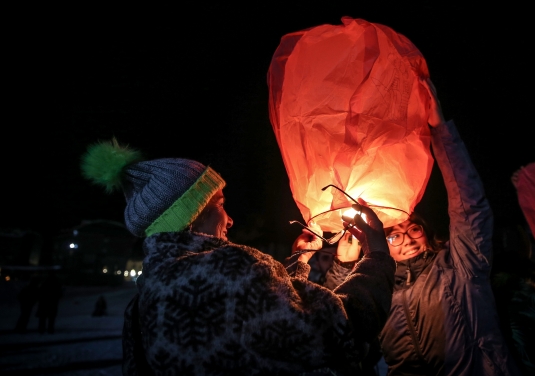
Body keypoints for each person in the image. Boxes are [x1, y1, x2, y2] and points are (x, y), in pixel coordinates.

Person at [81, 139, 395, 375]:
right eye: (220, 203)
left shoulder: (151, 290)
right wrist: (377, 254)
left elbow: (263, 317)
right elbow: (342, 326)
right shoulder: (231, 271)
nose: (229, 219)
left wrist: (300, 261)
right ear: (193, 214)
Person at [324, 79, 520, 375]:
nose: (407, 238)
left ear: (426, 232)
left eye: (413, 229)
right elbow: (335, 318)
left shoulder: (459, 268)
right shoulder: (379, 287)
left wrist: (442, 131)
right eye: (393, 235)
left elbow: (471, 207)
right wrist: (343, 264)